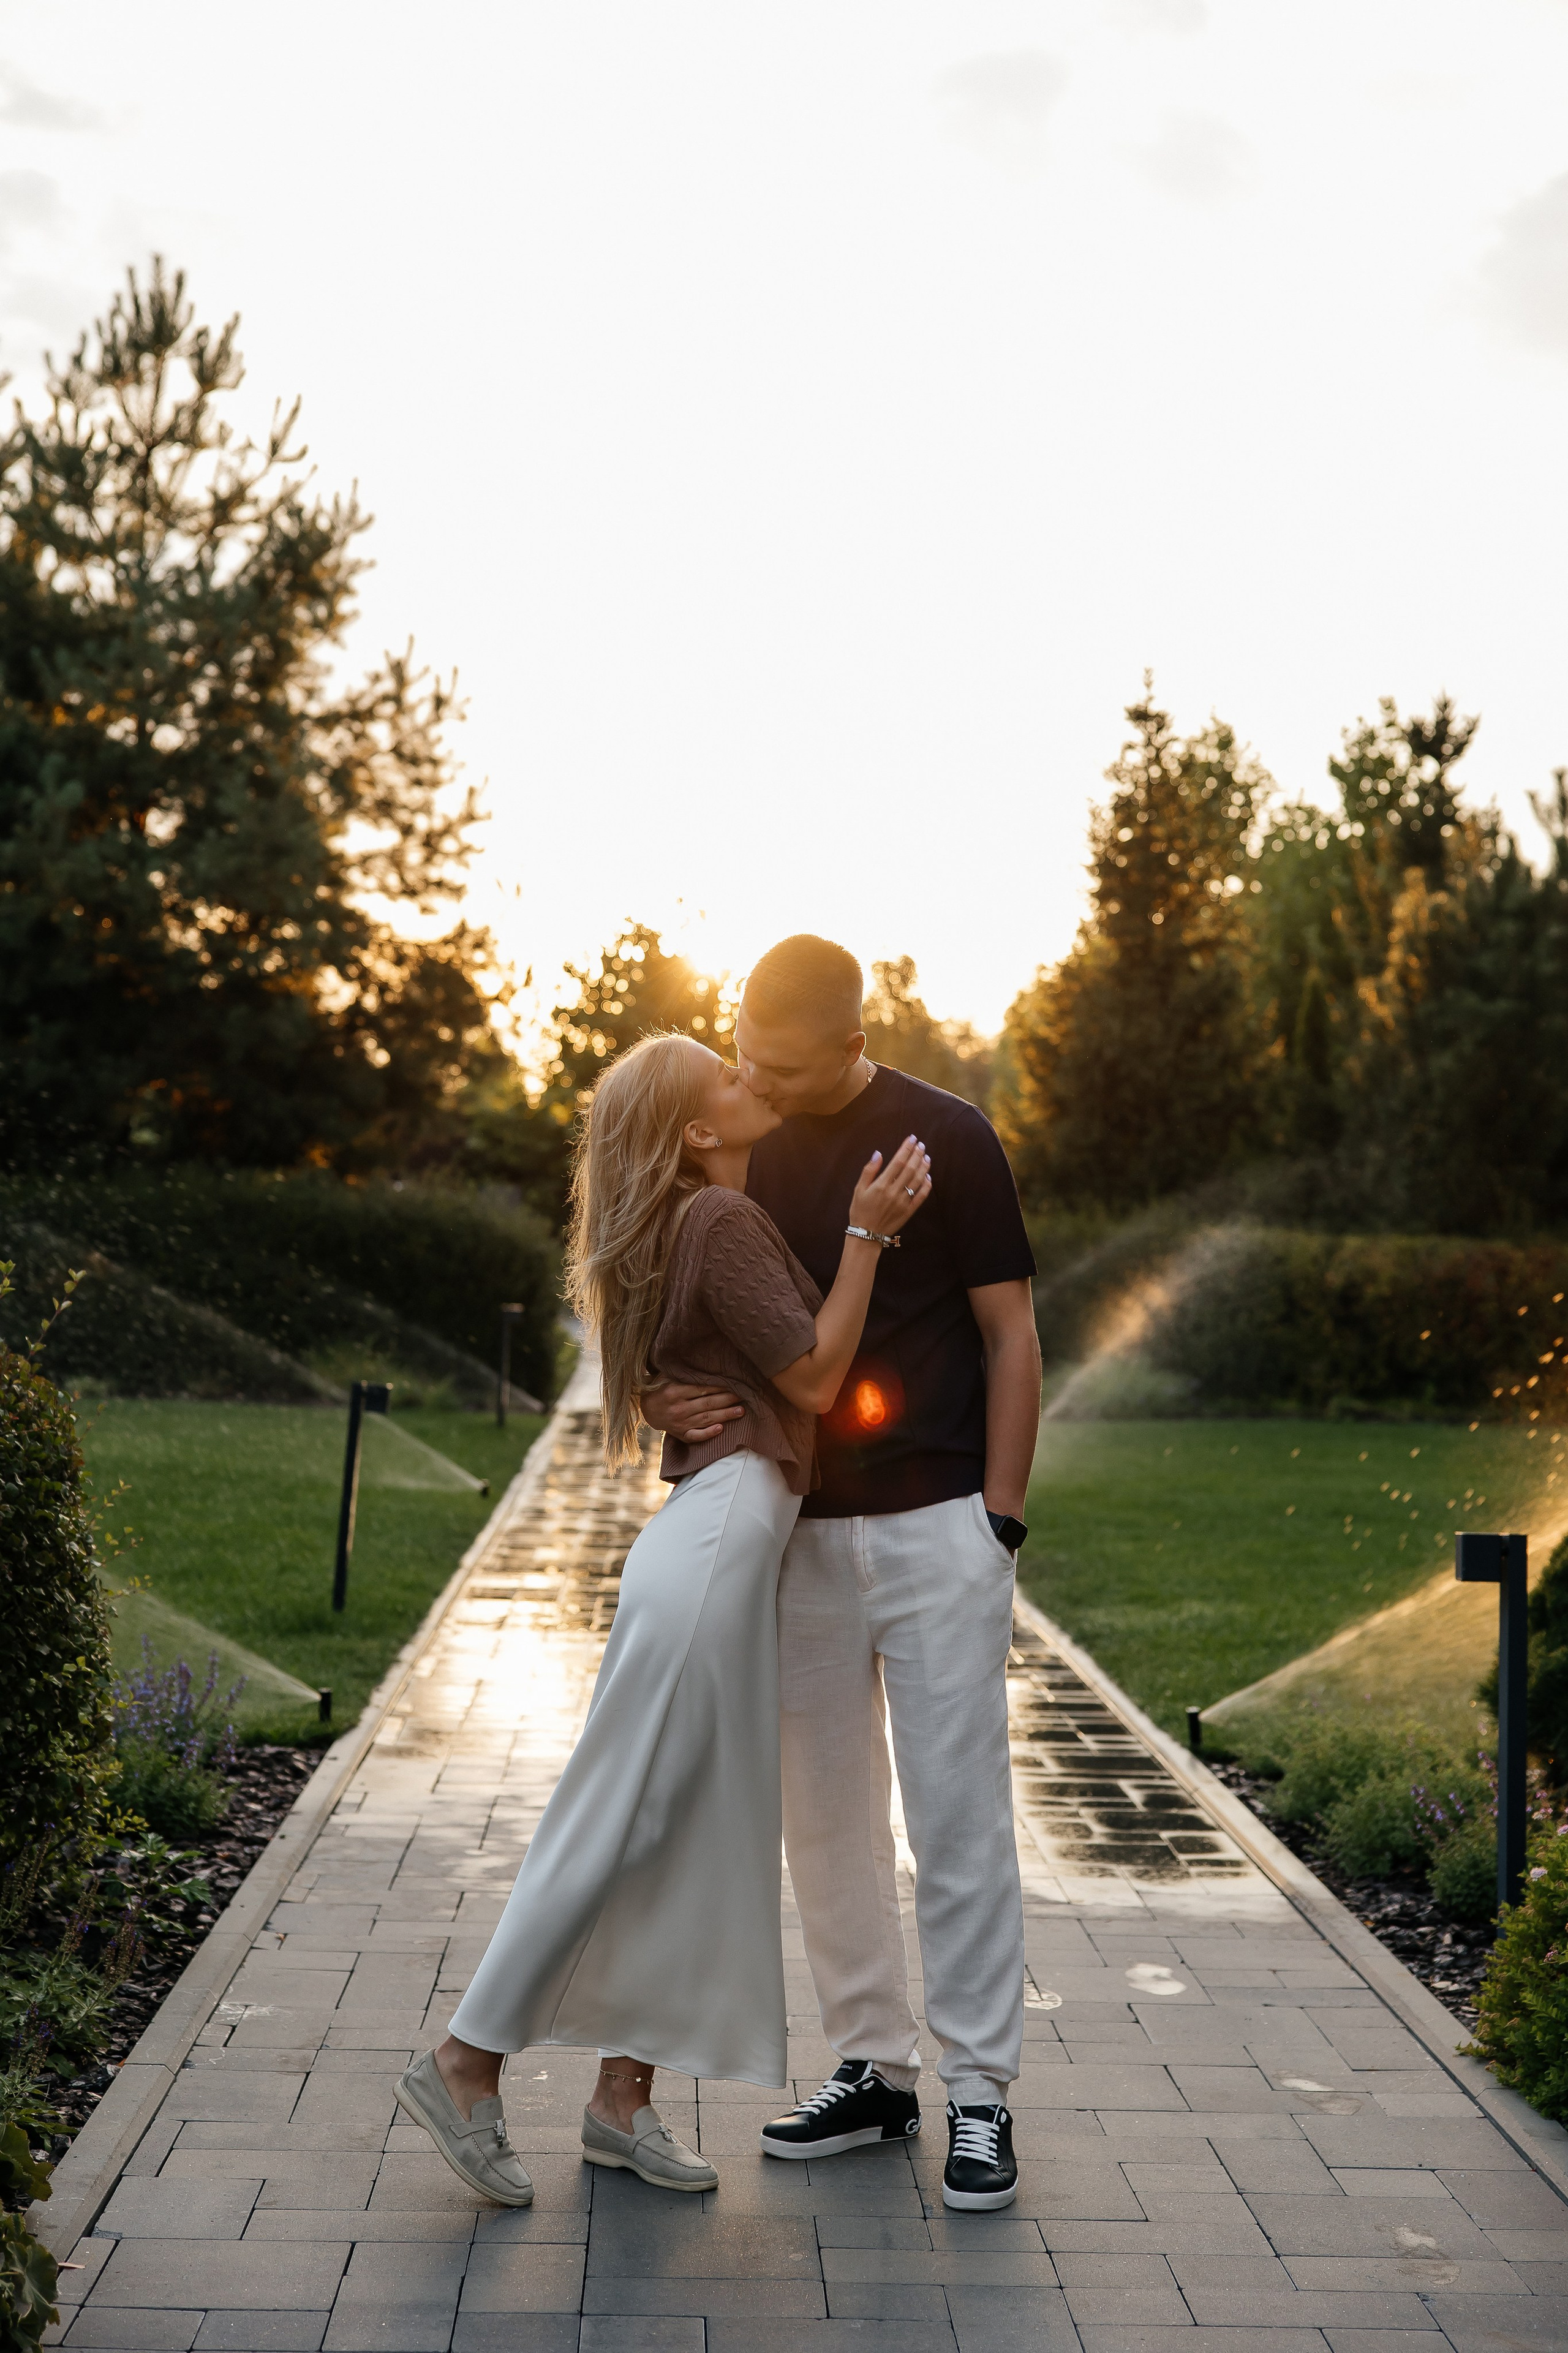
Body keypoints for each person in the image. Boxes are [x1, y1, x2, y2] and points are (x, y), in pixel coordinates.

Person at [394, 1030, 931, 2204]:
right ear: (697, 1128)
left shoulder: (705, 1219)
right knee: (621, 1808)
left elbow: (699, 1355)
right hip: (718, 1541)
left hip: (733, 1543)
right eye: (730, 1079)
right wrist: (868, 1237)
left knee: (689, 1823)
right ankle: (464, 2060)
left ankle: (619, 2100)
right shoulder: (719, 1220)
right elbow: (815, 1379)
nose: (752, 1077)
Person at [643, 935, 1041, 2211]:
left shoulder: (950, 1136)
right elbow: (699, 1297)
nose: (753, 1074)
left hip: (938, 1526)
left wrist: (1000, 1519)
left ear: (852, 1041)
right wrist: (662, 1388)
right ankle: (872, 2069)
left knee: (957, 1811)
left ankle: (979, 2095)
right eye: (743, 1050)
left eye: (781, 1062)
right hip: (796, 1529)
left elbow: (1011, 1333)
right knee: (823, 1817)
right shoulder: (744, 1138)